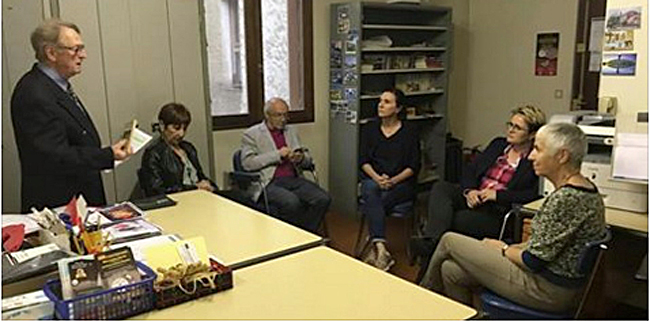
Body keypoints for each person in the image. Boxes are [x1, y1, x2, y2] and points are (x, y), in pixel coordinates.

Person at [419, 122, 607, 313]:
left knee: (449, 240)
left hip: (547, 290)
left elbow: (532, 260)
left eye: (538, 149)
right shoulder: (587, 190)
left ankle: (420, 300)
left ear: (562, 156)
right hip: (553, 281)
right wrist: (508, 249)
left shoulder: (566, 199)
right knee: (451, 271)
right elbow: (545, 245)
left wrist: (503, 249)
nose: (532, 156)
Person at [11, 19, 131, 212]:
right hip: (59, 206)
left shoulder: (55, 86)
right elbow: (54, 156)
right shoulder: (34, 93)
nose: (83, 55)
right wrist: (106, 155)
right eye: (76, 49)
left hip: (80, 201)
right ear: (51, 53)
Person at [411, 105, 546, 268]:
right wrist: (470, 191)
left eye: (517, 128)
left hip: (496, 211)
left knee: (454, 220)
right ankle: (431, 246)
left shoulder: (534, 159)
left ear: (532, 134)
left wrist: (497, 195)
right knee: (441, 187)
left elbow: (533, 195)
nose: (510, 130)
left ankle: (428, 249)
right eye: (509, 125)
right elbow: (470, 170)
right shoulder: (498, 145)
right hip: (475, 198)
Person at [240, 97, 331, 234]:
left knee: (323, 198)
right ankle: (291, 237)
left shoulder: (291, 131)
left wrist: (300, 159)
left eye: (285, 115)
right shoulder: (252, 134)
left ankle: (305, 234)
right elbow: (248, 164)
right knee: (291, 202)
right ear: (267, 115)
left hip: (293, 179)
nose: (283, 119)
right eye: (278, 115)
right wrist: (277, 155)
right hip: (268, 182)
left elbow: (308, 161)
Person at [358, 89, 420, 271]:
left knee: (374, 201)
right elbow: (363, 161)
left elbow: (414, 166)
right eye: (380, 101)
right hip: (374, 180)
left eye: (387, 102)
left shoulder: (409, 132)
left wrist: (392, 181)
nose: (381, 105)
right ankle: (381, 248)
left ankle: (375, 247)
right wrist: (378, 178)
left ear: (398, 108)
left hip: (401, 183)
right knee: (370, 190)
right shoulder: (370, 128)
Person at [140, 103, 218, 196]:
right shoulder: (153, 153)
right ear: (162, 125)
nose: (181, 134)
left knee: (236, 196)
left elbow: (200, 176)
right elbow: (156, 190)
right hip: (179, 201)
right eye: (176, 128)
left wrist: (210, 186)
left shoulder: (189, 148)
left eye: (184, 129)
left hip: (200, 196)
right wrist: (194, 188)